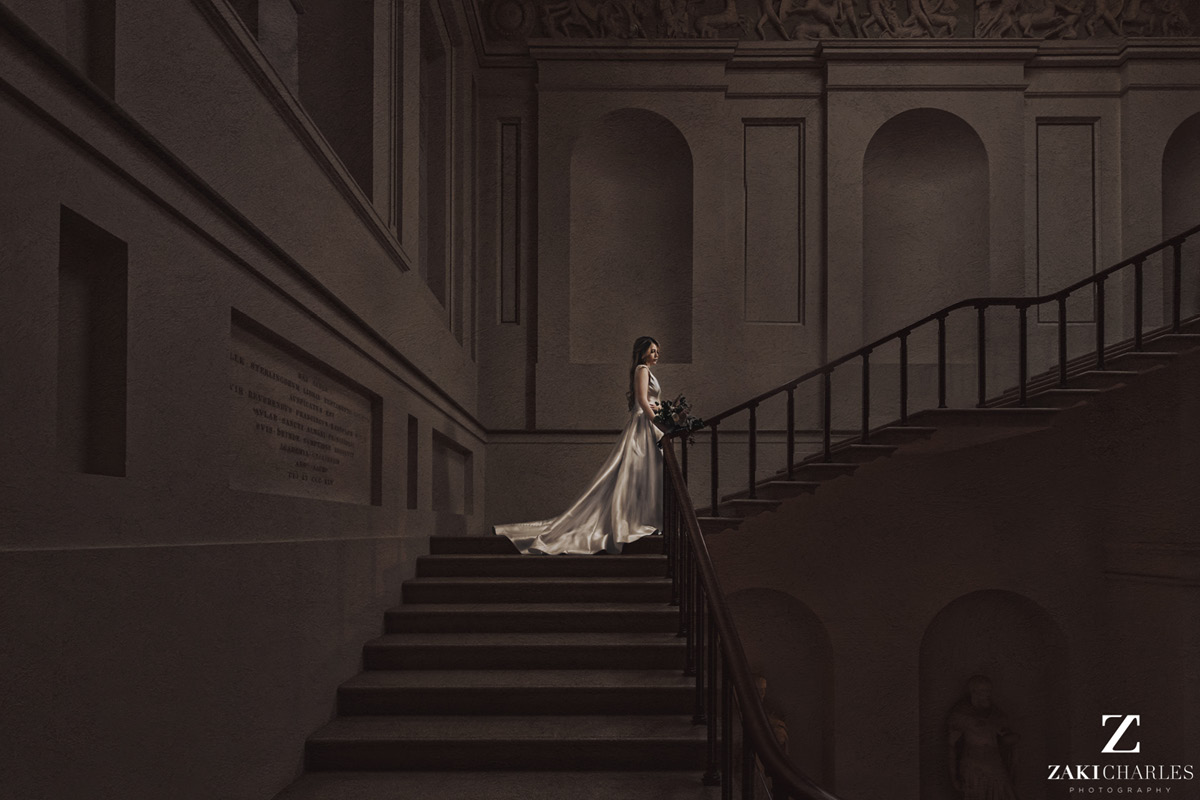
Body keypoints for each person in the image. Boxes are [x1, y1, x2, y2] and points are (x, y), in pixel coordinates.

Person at [494, 336, 665, 554]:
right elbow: (642, 401)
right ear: (642, 353)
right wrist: (656, 420)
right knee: (635, 474)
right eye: (652, 351)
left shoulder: (647, 371)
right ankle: (631, 521)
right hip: (643, 425)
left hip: (647, 425)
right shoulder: (642, 369)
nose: (656, 355)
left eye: (657, 351)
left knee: (642, 475)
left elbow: (651, 401)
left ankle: (641, 518)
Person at [947, 675, 1019, 800]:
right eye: (983, 691)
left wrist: (1013, 738)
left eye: (988, 691)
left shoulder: (996, 714)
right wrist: (954, 778)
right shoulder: (961, 714)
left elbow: (1007, 741)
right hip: (973, 768)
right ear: (973, 692)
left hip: (995, 765)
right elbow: (951, 746)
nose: (987, 694)